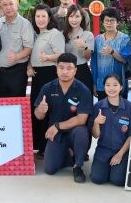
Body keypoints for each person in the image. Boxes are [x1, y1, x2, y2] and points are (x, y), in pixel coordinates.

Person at [33, 53, 92, 183]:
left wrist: (57, 126)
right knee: (49, 169)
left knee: (81, 131)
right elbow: (38, 116)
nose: (65, 72)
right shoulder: (47, 87)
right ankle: (69, 154)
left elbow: (81, 119)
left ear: (75, 70)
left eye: (69, 68)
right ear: (56, 69)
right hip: (57, 134)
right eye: (61, 68)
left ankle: (78, 166)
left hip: (74, 132)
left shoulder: (83, 90)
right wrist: (40, 110)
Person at [28, 4, 66, 154]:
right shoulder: (36, 34)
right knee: (37, 109)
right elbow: (33, 54)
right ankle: (39, 145)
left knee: (48, 110)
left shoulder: (54, 33)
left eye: (43, 16)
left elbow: (61, 54)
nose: (40, 19)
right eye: (37, 16)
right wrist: (29, 66)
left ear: (49, 18)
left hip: (49, 74)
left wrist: (47, 57)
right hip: (37, 75)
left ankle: (48, 147)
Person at [89, 74, 131, 186]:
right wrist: (96, 123)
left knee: (117, 180)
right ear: (104, 87)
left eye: (115, 85)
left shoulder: (130, 107)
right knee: (97, 179)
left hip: (121, 150)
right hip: (103, 150)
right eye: (108, 85)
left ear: (121, 87)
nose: (111, 88)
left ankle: (116, 168)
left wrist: (120, 154)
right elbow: (95, 135)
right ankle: (106, 168)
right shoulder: (98, 107)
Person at [0, 0, 34, 97]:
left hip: (17, 72)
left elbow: (29, 48)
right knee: (1, 104)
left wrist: (16, 56)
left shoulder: (25, 24)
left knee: (16, 104)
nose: (8, 7)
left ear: (17, 5)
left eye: (11, 4)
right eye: (5, 5)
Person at [91, 7, 131, 99]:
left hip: (118, 83)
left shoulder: (124, 39)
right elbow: (94, 64)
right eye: (106, 20)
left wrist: (112, 52)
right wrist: (94, 83)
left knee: (120, 111)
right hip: (101, 84)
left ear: (118, 22)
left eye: (112, 20)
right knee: (102, 110)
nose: (109, 23)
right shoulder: (97, 40)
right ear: (103, 22)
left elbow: (125, 60)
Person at [63, 4, 94, 92]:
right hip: (66, 72)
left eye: (77, 16)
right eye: (71, 16)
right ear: (67, 18)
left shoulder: (88, 35)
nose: (74, 20)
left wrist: (85, 47)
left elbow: (88, 57)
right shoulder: (62, 34)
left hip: (82, 71)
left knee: (85, 102)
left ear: (82, 18)